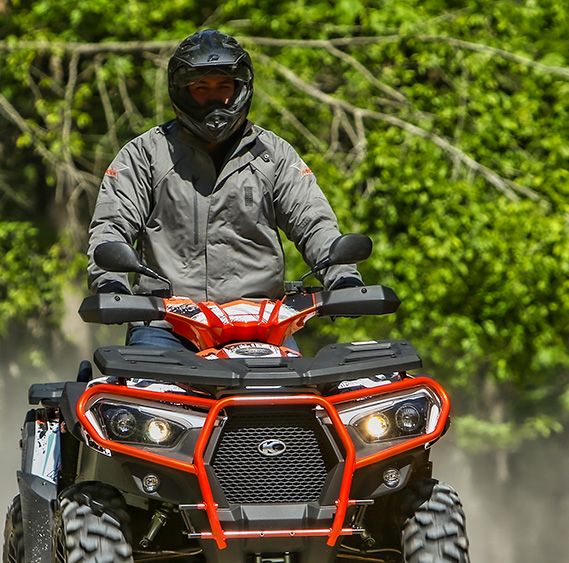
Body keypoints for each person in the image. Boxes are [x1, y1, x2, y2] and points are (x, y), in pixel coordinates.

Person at [86, 29, 364, 350]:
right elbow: (111, 228)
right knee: (142, 397)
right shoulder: (144, 154)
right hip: (167, 325)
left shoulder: (274, 154)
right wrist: (110, 283)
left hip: (262, 325)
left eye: (224, 86)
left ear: (240, 89)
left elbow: (313, 221)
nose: (215, 96)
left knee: (299, 398)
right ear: (182, 92)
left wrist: (342, 276)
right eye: (201, 87)